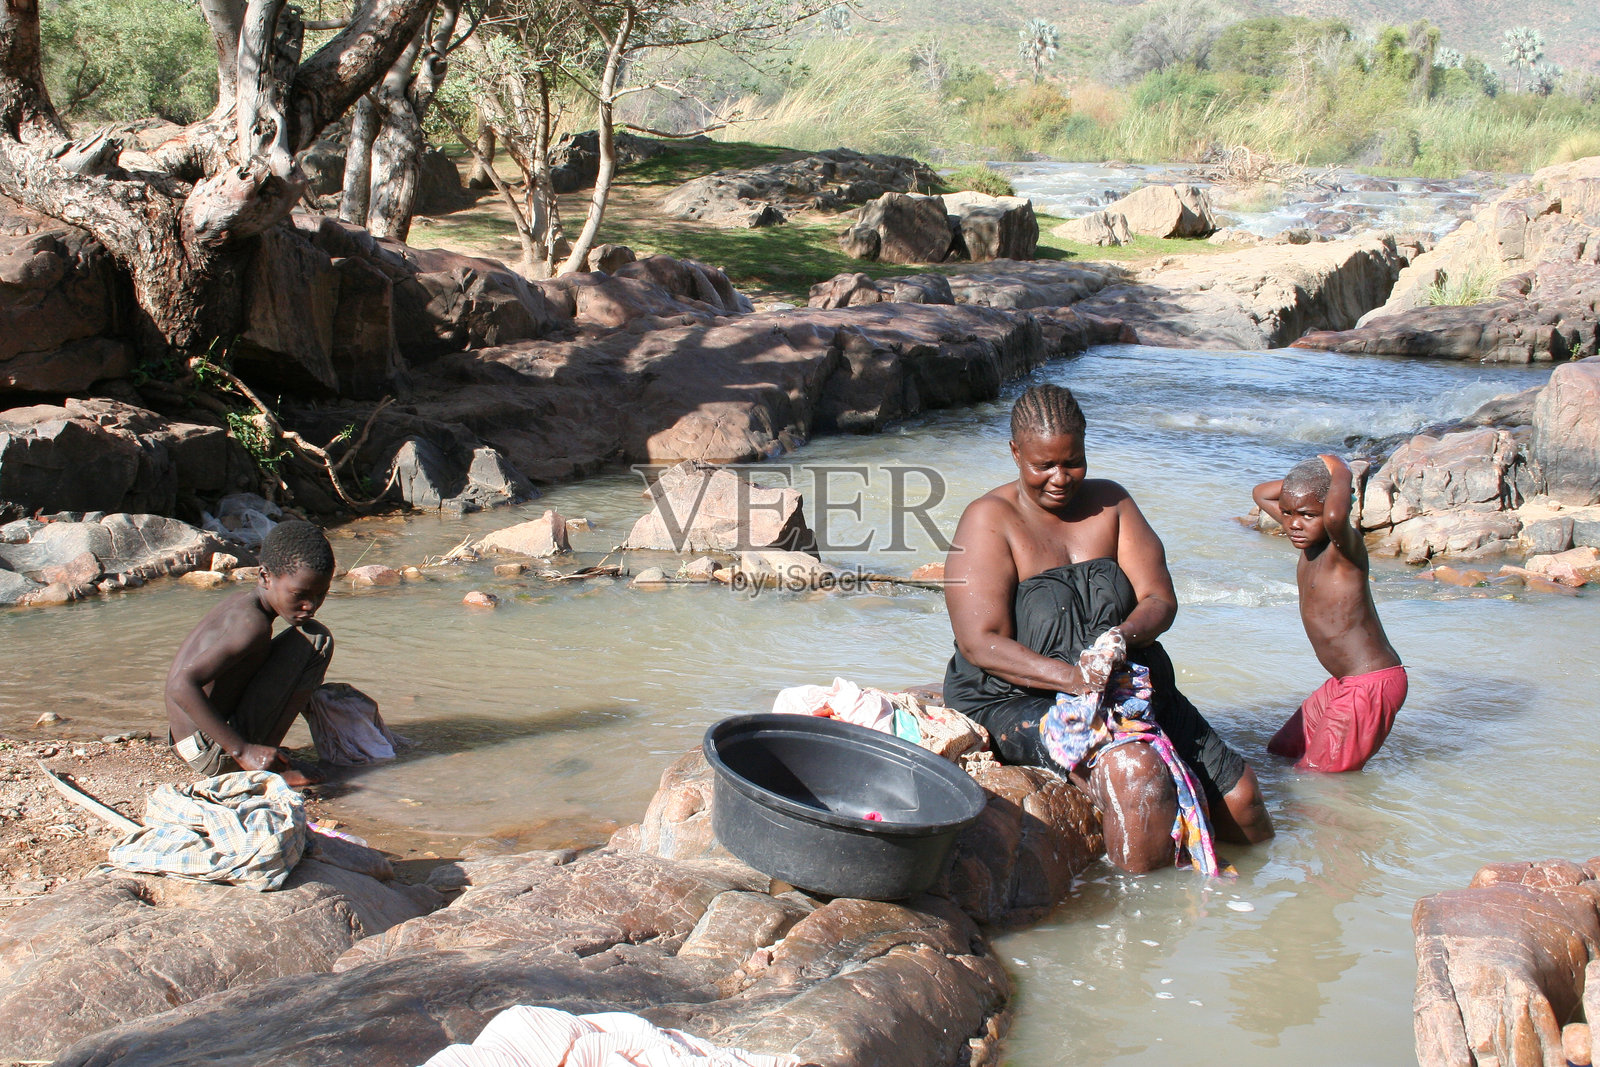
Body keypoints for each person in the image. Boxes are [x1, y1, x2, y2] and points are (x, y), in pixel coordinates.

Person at [943, 384, 1273, 873]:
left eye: (1072, 462)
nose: (1060, 478)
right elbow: (980, 643)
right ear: (1015, 453)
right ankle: (1143, 914)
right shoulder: (988, 520)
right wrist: (1074, 680)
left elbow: (1159, 598)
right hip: (1021, 694)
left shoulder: (1113, 503)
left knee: (1244, 805)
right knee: (1137, 773)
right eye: (1043, 465)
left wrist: (1122, 637)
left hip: (1125, 681)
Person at [1252, 455, 1406, 773]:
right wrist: (1312, 480)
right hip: (1343, 682)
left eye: (1308, 515)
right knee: (1281, 751)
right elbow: (1261, 493)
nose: (1294, 524)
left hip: (1369, 684)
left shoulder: (1344, 549)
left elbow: (1335, 517)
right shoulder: (1306, 537)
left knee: (1317, 779)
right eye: (1287, 513)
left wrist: (1340, 470)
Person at [164, 519, 336, 787]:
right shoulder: (252, 626)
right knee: (317, 640)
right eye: (300, 595)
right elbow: (180, 686)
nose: (311, 606)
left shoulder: (242, 606)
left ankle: (255, 751)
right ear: (265, 577)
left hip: (186, 742)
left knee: (295, 643)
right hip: (211, 754)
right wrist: (243, 751)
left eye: (320, 594)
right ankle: (268, 764)